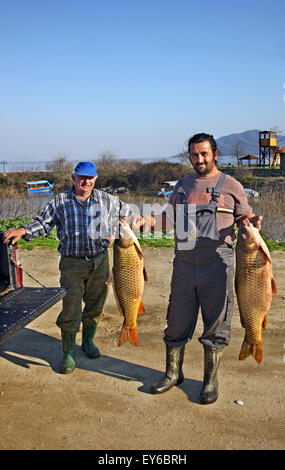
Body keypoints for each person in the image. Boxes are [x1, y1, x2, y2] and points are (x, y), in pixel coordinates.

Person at [149, 133, 262, 404]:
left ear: (215, 154)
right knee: (176, 318)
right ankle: (173, 373)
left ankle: (210, 380)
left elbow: (244, 217)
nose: (198, 159)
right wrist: (145, 221)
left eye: (203, 154)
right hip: (185, 263)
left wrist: (252, 222)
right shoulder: (183, 185)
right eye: (194, 155)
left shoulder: (232, 185)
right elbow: (168, 218)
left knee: (217, 322)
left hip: (218, 264)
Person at [3, 162, 147, 374]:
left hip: (100, 261)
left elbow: (129, 214)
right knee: (71, 308)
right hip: (72, 263)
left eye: (90, 178)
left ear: (95, 180)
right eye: (81, 177)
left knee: (95, 305)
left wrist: (137, 219)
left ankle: (88, 341)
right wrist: (23, 230)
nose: (85, 182)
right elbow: (43, 223)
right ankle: (68, 352)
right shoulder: (60, 201)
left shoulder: (107, 200)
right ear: (73, 178)